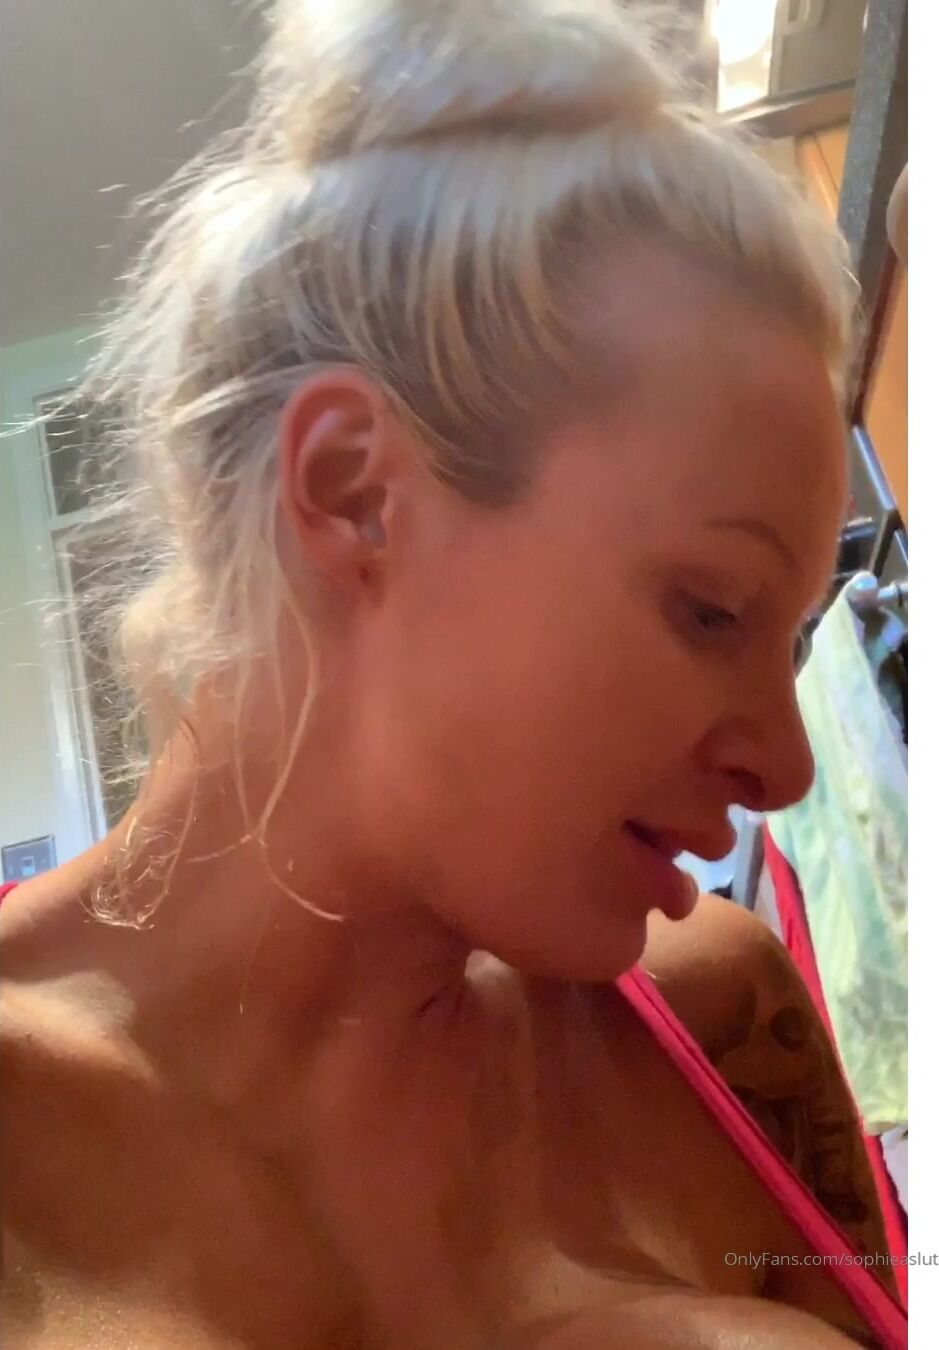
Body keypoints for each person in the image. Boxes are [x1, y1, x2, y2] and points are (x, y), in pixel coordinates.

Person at [0, 1, 907, 1346]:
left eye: (791, 641)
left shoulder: (728, 1012)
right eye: (711, 610)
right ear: (351, 489)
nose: (788, 765)